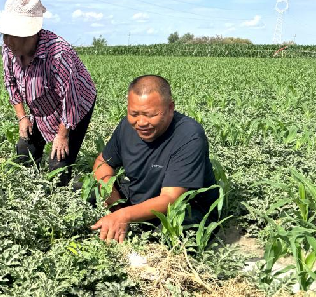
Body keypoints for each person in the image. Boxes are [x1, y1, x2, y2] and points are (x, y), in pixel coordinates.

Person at [90, 75, 220, 243]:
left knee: (170, 236)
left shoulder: (189, 135)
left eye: (150, 115)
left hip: (184, 209)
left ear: (170, 107)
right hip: (139, 196)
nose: (141, 122)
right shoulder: (126, 127)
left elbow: (171, 199)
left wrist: (124, 215)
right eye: (134, 113)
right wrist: (114, 204)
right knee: (80, 191)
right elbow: (103, 162)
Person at [0, 0, 97, 185]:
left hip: (75, 105)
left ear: (30, 34)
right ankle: (29, 186)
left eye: (12, 35)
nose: (7, 41)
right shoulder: (8, 49)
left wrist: (62, 135)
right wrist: (22, 118)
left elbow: (71, 100)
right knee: (24, 152)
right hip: (41, 106)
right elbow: (10, 82)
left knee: (57, 169)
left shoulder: (58, 54)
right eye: (5, 34)